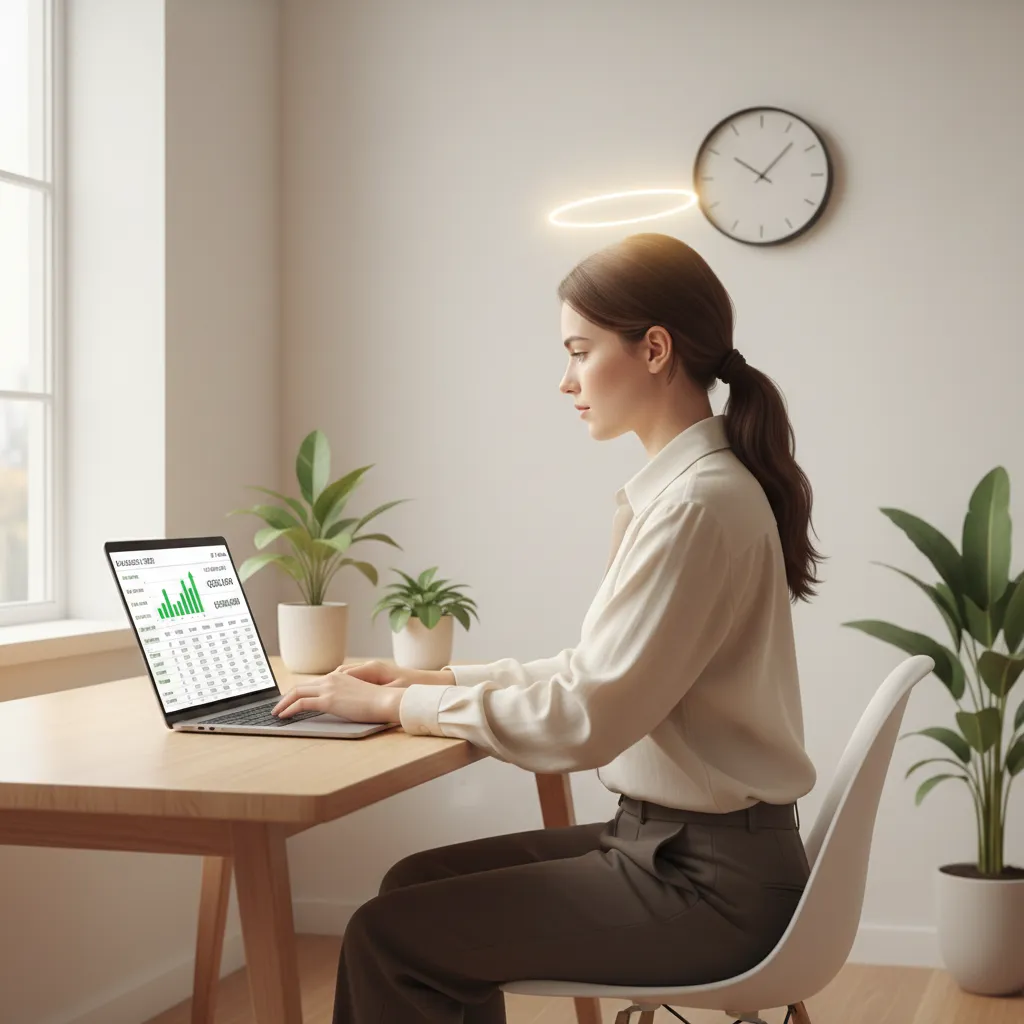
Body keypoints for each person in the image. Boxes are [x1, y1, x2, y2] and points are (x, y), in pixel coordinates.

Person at [273, 232, 825, 1024]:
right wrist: (433, 680)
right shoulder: (693, 493)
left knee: (389, 936)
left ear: (655, 349)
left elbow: (587, 718)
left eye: (579, 350)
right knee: (411, 891)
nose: (565, 380)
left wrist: (397, 710)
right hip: (686, 851)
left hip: (706, 884)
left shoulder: (699, 506)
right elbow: (595, 671)